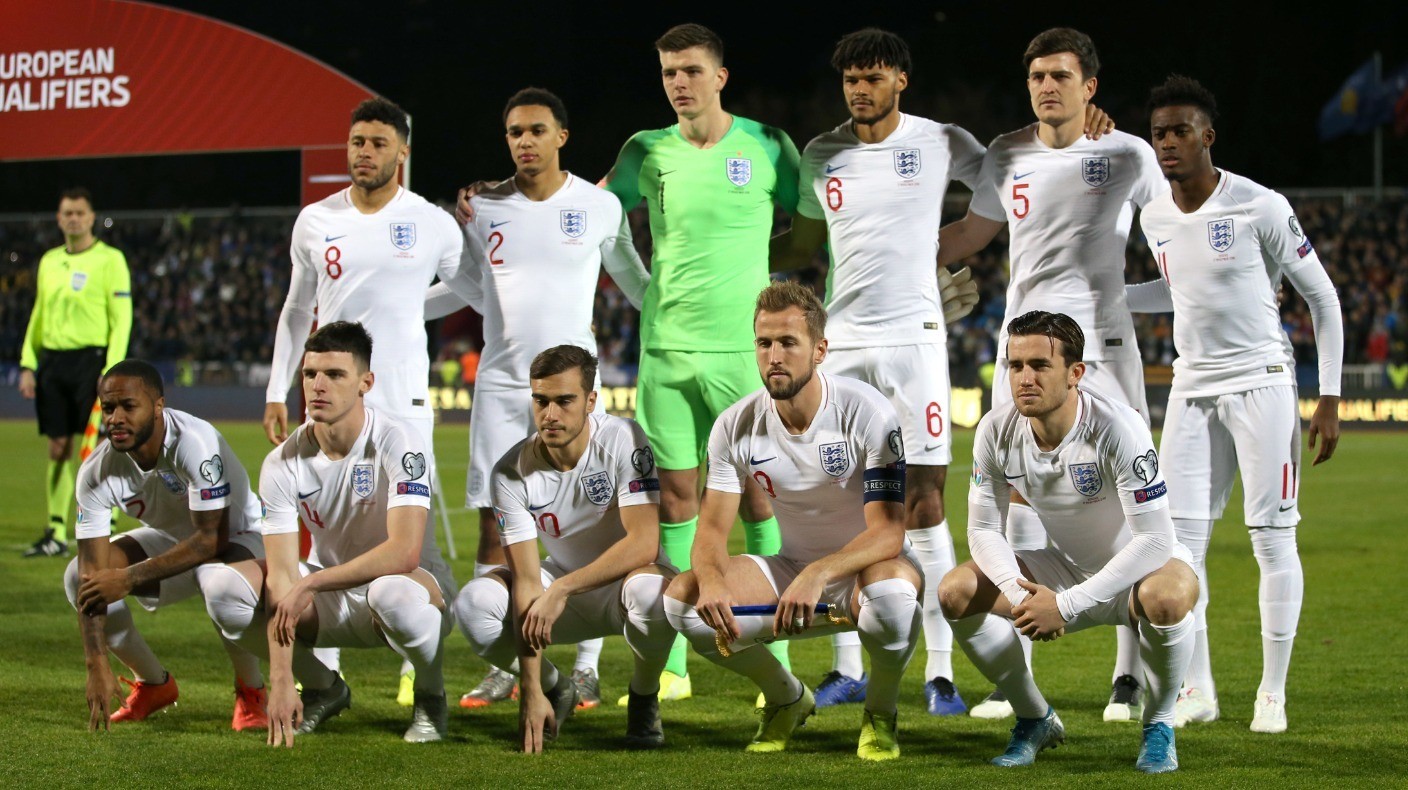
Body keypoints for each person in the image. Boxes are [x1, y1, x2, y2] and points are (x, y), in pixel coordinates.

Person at [935, 27, 1164, 722]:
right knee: (1018, 495)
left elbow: (1172, 236)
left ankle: (1128, 676)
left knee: (1126, 499)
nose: (1046, 87)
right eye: (1037, 76)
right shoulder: (1007, 153)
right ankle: (1021, 665)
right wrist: (897, 261)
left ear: (1089, 86)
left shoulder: (1126, 153)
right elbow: (969, 235)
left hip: (1105, 345)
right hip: (1025, 344)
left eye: (1061, 76)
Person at [1128, 75, 1343, 734]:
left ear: (1207, 136)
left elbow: (1323, 298)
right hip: (1191, 387)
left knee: (1271, 539)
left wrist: (1329, 397)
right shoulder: (1154, 216)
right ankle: (1198, 689)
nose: (1168, 143)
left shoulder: (1260, 205)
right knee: (1177, 546)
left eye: (1180, 131)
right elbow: (1178, 290)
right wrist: (1104, 296)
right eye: (1159, 133)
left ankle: (1272, 694)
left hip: (1262, 383)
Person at [425, 87, 651, 710]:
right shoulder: (481, 207)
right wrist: (396, 310)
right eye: (514, 132)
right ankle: (502, 659)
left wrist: (687, 317)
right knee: (492, 521)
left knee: (591, 518)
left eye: (536, 130)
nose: (525, 141)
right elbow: (468, 285)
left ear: (562, 137)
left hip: (575, 386)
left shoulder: (599, 206)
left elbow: (635, 283)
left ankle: (586, 667)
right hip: (503, 385)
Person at [264, 97, 475, 704]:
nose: (365, 152)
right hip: (331, 394)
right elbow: (297, 308)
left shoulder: (431, 221)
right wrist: (279, 387)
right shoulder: (316, 219)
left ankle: (419, 659)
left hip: (402, 400)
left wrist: (410, 303)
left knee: (412, 535)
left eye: (379, 143)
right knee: (322, 524)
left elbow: (470, 289)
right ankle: (325, 673)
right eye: (357, 141)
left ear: (402, 151)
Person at [663, 282, 921, 761]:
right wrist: (713, 580)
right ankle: (786, 697)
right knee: (684, 601)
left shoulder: (866, 412)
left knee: (892, 598)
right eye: (764, 343)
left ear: (820, 350)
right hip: (791, 569)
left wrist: (818, 573)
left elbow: (889, 531)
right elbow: (712, 530)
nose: (774, 356)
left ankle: (880, 712)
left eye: (788, 342)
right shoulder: (734, 424)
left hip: (868, 570)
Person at [939, 310, 1199, 774]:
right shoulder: (996, 430)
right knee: (955, 591)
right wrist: (1022, 595)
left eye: (1040, 365)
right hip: (1064, 569)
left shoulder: (1117, 426)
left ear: (1075, 372)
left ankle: (1159, 724)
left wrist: (1066, 605)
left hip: (1137, 574)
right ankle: (1034, 717)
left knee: (1169, 596)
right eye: (1015, 365)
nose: (1024, 378)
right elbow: (982, 530)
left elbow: (1157, 541)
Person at [210, 321, 458, 745]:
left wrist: (311, 583)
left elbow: (403, 553)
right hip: (329, 603)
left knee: (391, 593)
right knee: (222, 589)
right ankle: (322, 686)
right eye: (310, 374)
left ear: (366, 383)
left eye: (335, 374)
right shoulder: (282, 462)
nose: (318, 386)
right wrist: (281, 678)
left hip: (410, 591)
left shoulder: (399, 441)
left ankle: (430, 694)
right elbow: (281, 576)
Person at [452, 345, 675, 752]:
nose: (550, 414)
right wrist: (532, 688)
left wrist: (561, 589)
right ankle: (559, 688)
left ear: (590, 401)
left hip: (623, 585)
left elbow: (644, 543)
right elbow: (525, 580)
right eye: (541, 400)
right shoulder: (510, 472)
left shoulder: (623, 438)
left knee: (654, 593)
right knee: (473, 604)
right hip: (562, 587)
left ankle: (644, 697)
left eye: (564, 401)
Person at [66, 360, 266, 731]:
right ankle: (153, 684)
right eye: (108, 408)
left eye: (129, 406)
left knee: (217, 582)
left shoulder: (194, 441)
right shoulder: (96, 472)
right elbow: (92, 574)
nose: (115, 419)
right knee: (78, 575)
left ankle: (252, 690)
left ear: (158, 405)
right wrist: (95, 664)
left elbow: (213, 538)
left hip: (241, 537)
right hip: (175, 542)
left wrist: (128, 578)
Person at [19, 187, 132, 557]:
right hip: (53, 363)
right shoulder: (50, 261)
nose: (73, 219)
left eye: (79, 213)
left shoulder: (111, 260)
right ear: (59, 218)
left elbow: (122, 319)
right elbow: (39, 313)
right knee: (57, 447)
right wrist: (29, 362)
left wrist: (111, 369)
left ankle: (106, 526)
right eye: (67, 213)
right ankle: (55, 531)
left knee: (98, 449)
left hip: (92, 362)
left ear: (91, 217)